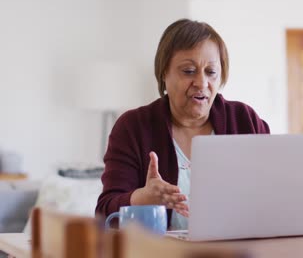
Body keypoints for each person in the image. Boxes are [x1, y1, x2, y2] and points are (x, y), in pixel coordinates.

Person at [95, 19, 270, 230]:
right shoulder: (132, 127)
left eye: (211, 72)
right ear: (163, 73)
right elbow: (104, 214)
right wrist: (142, 198)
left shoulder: (244, 119)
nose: (202, 83)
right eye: (188, 71)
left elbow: (272, 193)